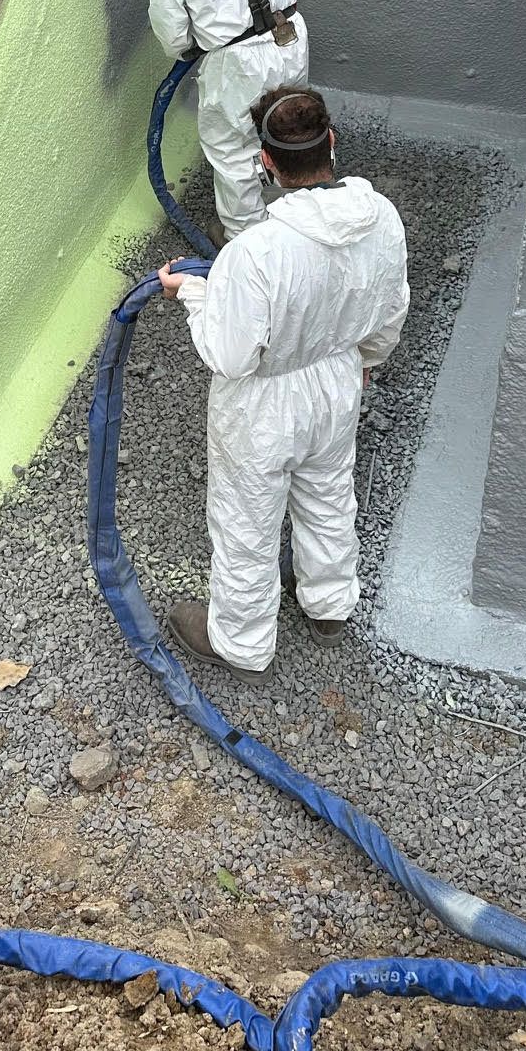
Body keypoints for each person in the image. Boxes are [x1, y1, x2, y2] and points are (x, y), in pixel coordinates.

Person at [157, 87, 410, 682]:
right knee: (327, 495)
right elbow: (391, 307)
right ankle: (329, 604)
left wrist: (193, 293)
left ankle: (242, 643)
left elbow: (230, 353)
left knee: (247, 519)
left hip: (264, 406)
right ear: (332, 145)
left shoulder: (257, 252)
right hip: (339, 379)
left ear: (266, 162)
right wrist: (367, 360)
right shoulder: (383, 221)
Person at [135, 0, 309, 241]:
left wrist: (201, 37)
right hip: (290, 37)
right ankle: (298, 218)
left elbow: (174, 40)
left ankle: (244, 237)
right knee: (290, 129)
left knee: (233, 149)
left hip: (239, 64)